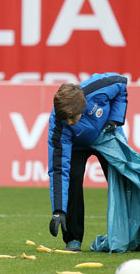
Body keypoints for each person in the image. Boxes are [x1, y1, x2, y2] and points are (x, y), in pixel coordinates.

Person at [47, 72, 128, 252]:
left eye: (71, 117)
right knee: (73, 179)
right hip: (76, 147)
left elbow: (122, 83)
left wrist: (115, 118)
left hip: (106, 135)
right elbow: (59, 170)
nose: (69, 122)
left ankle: (132, 234)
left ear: (82, 106)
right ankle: (73, 239)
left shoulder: (100, 87)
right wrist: (58, 210)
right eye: (64, 119)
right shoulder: (60, 124)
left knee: (125, 180)